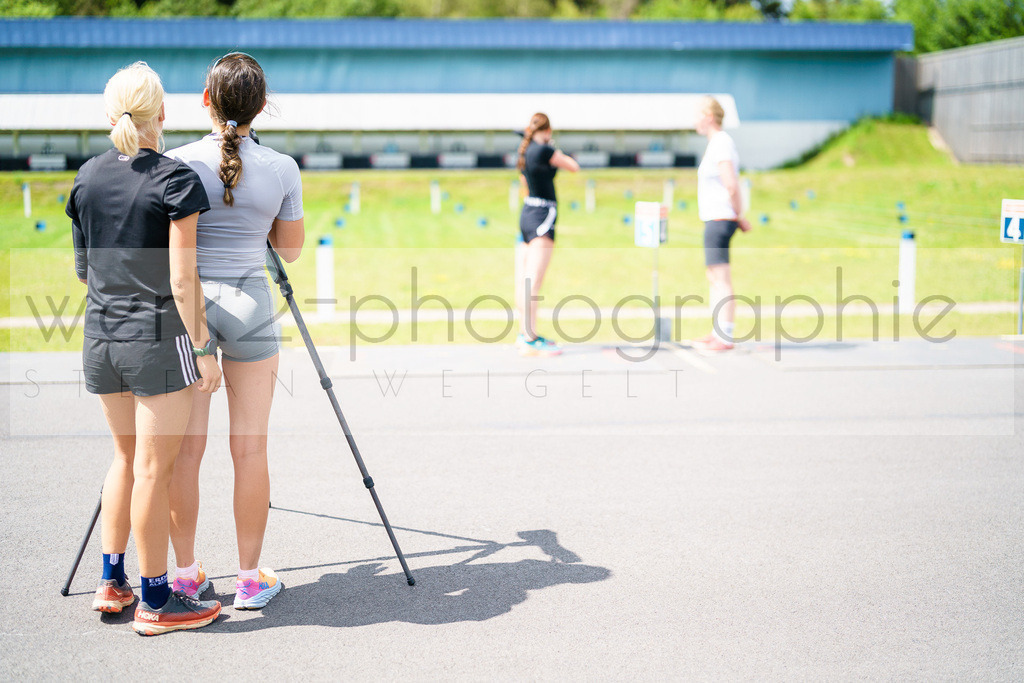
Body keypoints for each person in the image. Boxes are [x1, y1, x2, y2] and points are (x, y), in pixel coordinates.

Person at [67, 62, 223, 636]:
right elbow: (184, 282)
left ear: (110, 115)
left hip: (100, 340)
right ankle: (158, 600)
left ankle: (112, 582)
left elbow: (85, 273)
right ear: (163, 114)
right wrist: (203, 349)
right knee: (156, 471)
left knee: (126, 461)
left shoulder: (86, 176)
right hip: (156, 343)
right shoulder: (176, 179)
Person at [166, 52, 305, 610]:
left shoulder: (174, 162)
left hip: (188, 311)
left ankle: (183, 575)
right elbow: (289, 251)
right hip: (249, 304)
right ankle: (250, 579)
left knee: (183, 453)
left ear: (206, 100)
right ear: (262, 107)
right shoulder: (281, 168)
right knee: (249, 450)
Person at [515, 112, 579, 357]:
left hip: (528, 213)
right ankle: (529, 338)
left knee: (525, 280)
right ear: (548, 131)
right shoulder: (542, 150)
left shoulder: (526, 151)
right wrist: (554, 148)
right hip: (542, 216)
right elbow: (574, 166)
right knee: (533, 281)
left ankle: (525, 333)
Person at [693, 96, 751, 352]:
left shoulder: (721, 143)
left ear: (708, 116)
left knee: (721, 278)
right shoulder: (716, 144)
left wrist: (738, 214)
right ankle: (718, 331)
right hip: (715, 217)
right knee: (713, 276)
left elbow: (730, 182)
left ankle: (725, 335)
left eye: (697, 115)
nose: (694, 120)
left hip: (720, 218)